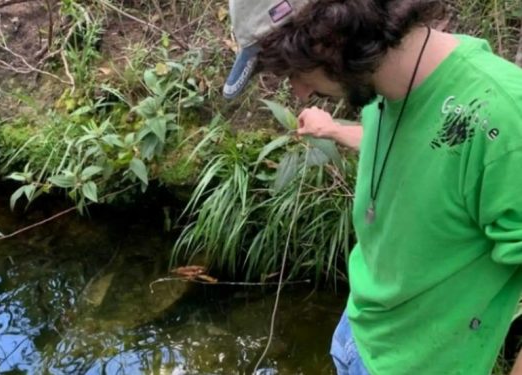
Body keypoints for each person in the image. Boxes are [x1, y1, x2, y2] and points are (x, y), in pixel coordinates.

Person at [222, 0, 522, 374]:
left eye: (292, 71)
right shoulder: (384, 83)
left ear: (327, 37)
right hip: (355, 337)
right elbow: (425, 149)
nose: (298, 92)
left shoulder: (502, 117)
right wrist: (334, 130)